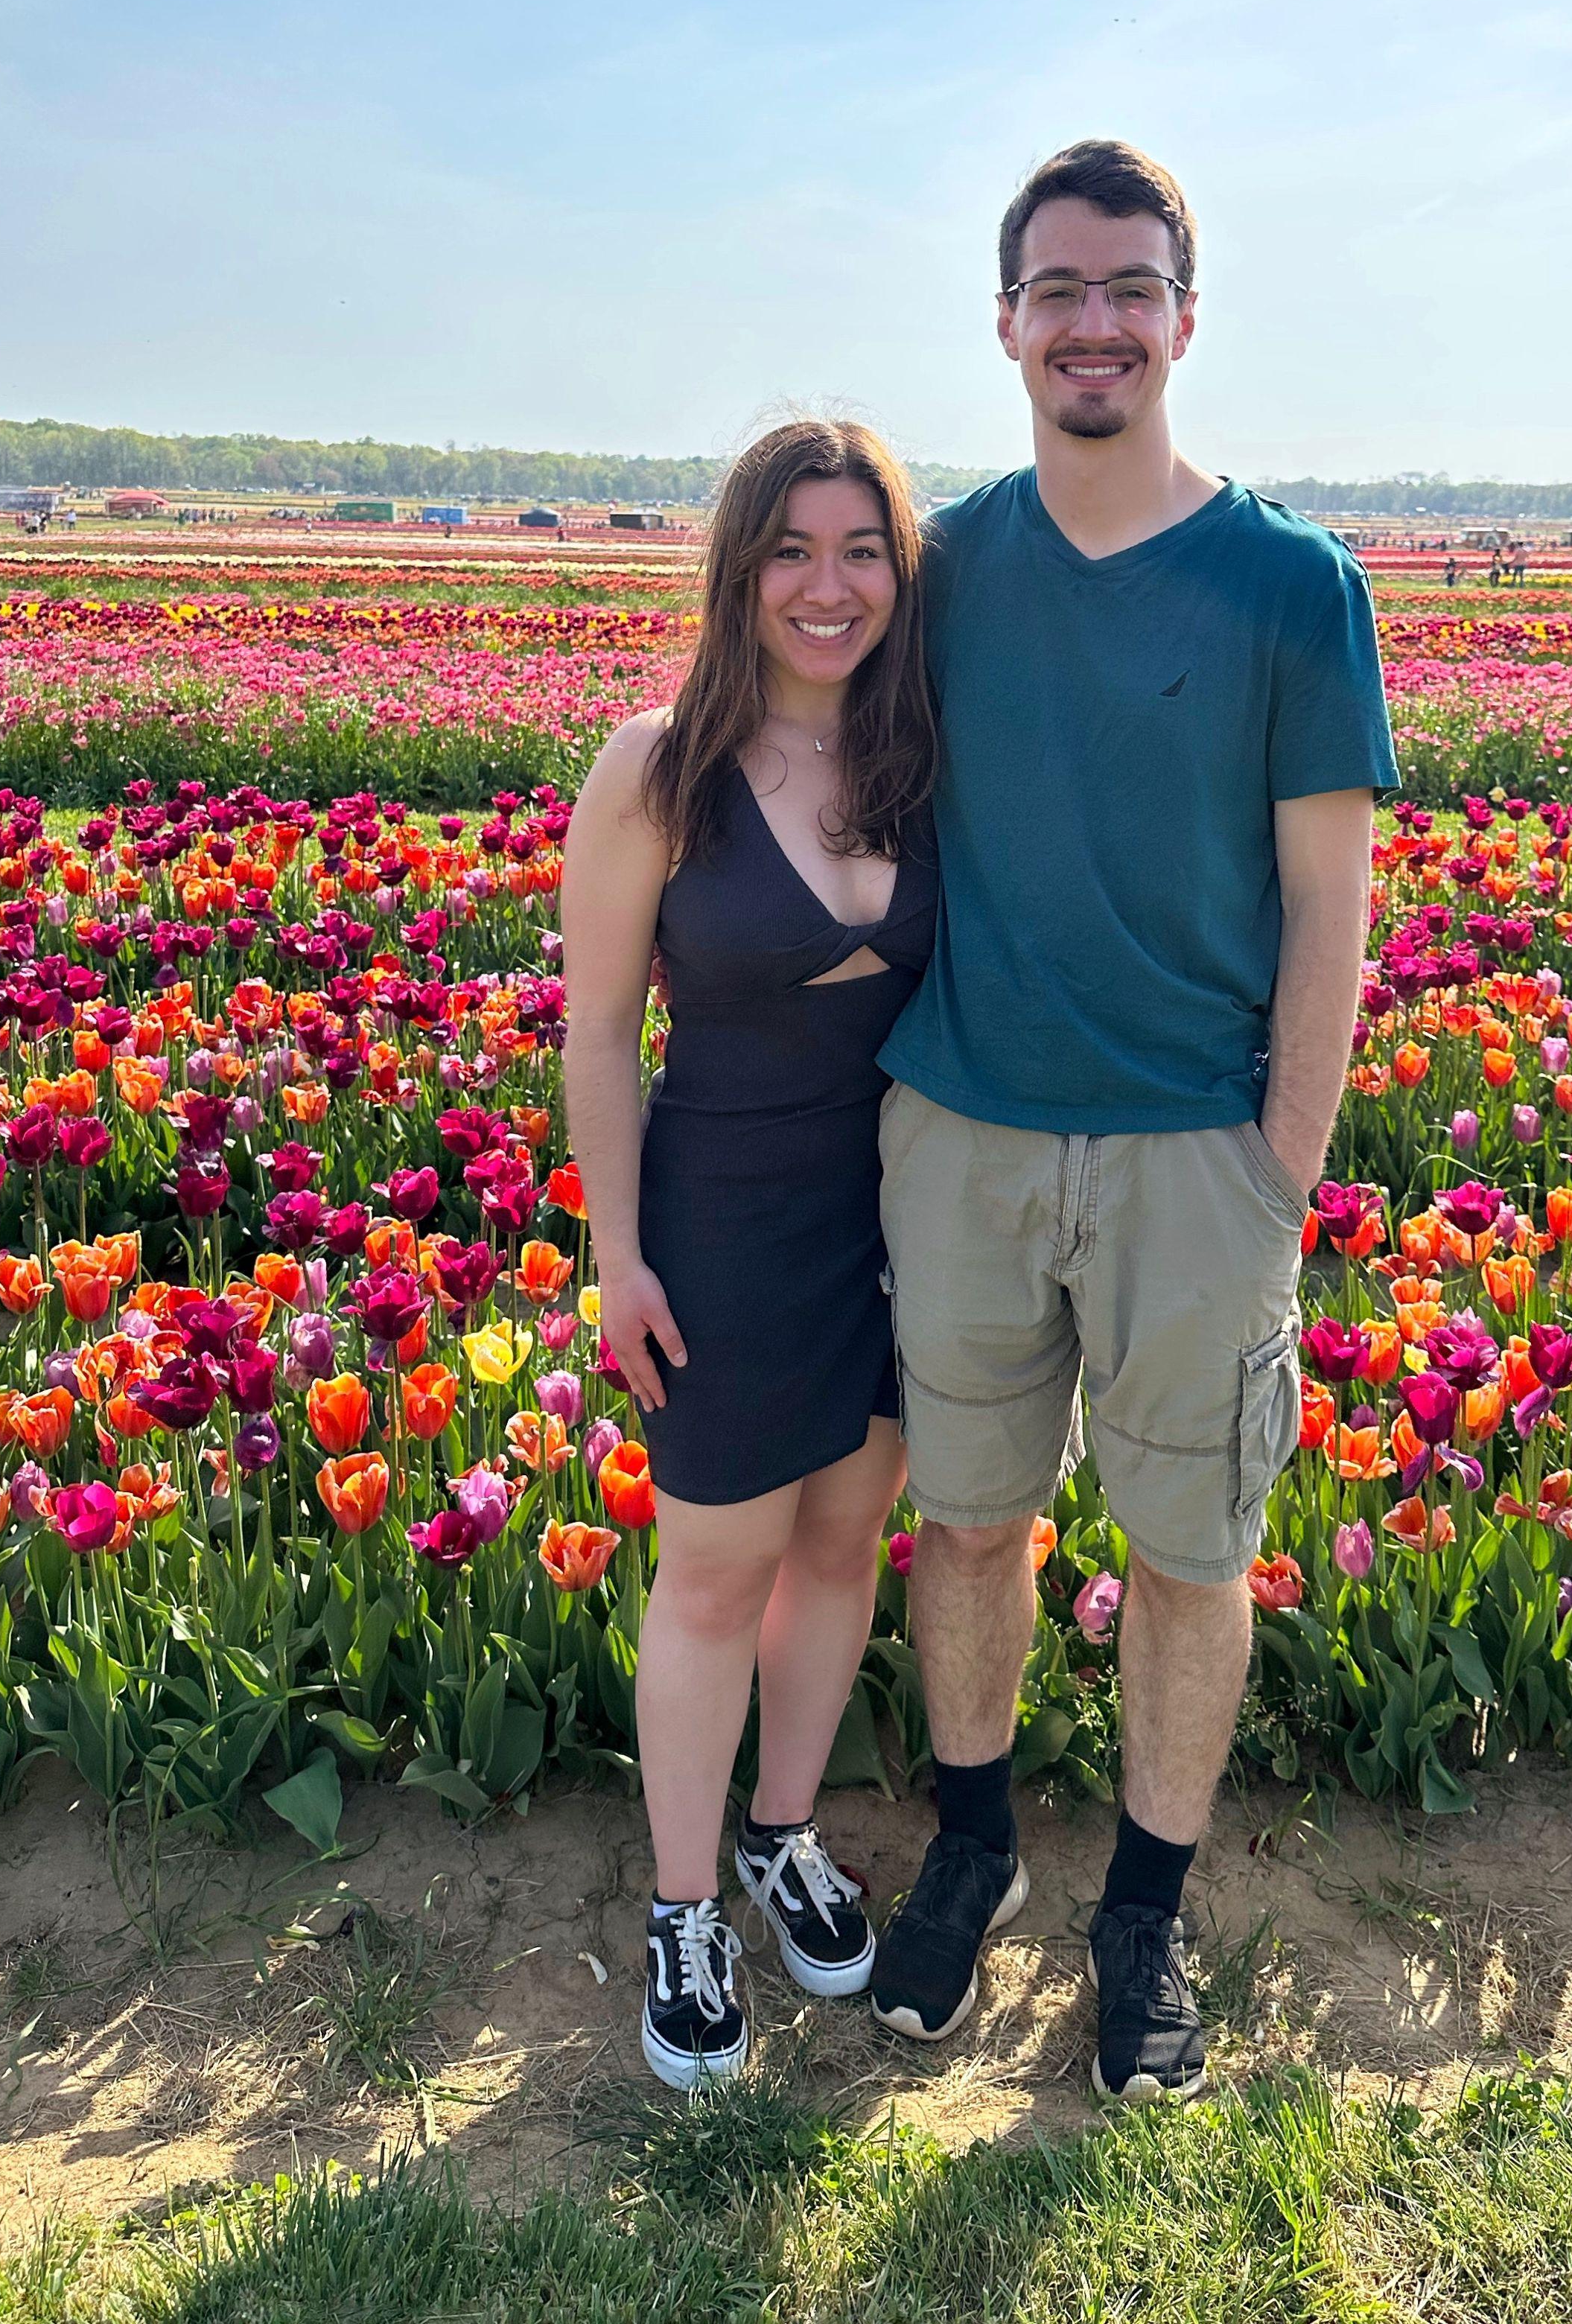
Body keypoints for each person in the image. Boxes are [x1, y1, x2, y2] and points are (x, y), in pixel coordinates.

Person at [865, 139, 1396, 2103]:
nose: (1096, 322)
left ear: (1188, 312)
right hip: (967, 1130)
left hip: (1196, 1158)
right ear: (1006, 322)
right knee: (971, 1518)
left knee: (1189, 1548)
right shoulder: (948, 574)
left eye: (1132, 285)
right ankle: (980, 1843)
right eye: (1058, 289)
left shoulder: (1288, 585)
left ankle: (1145, 1915)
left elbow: (1331, 901)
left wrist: (1282, 1170)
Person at [559, 419, 940, 2092]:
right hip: (719, 1217)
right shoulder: (655, 766)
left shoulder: (924, 757)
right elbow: (590, 1038)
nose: (825, 582)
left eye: (860, 547)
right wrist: (617, 1253)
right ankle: (684, 1903)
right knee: (715, 1567)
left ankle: (784, 1828)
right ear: (738, 565)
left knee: (844, 1541)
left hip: (902, 1217)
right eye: (790, 547)